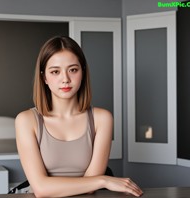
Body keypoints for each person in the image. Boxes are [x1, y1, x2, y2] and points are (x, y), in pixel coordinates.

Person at [15, 36, 143, 197]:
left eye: (73, 70)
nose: (65, 79)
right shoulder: (26, 120)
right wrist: (103, 181)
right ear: (44, 78)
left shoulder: (102, 119)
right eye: (55, 71)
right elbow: (41, 189)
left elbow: (89, 188)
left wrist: (97, 181)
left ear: (82, 72)